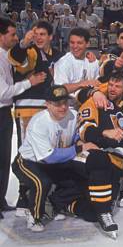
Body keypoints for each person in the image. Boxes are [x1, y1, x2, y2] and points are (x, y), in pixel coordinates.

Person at [11, 85, 98, 232]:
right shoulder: (39, 122)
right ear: (47, 104)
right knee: (42, 182)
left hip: (55, 162)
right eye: (57, 104)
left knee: (80, 178)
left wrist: (82, 143)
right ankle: (34, 216)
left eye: (65, 102)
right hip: (28, 162)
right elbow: (49, 157)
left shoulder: (73, 114)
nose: (63, 107)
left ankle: (54, 205)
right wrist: (79, 148)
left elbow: (77, 136)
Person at [77, 71, 123, 238]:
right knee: (100, 160)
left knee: (90, 214)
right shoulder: (96, 101)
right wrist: (105, 133)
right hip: (92, 158)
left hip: (116, 164)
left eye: (117, 86)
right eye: (110, 85)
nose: (112, 89)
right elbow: (84, 130)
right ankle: (104, 214)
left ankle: (63, 203)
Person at [0, 18, 46, 217]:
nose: (15, 38)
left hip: (5, 112)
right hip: (2, 110)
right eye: (12, 34)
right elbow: (3, 93)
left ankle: (0, 201)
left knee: (3, 159)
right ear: (1, 36)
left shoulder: (6, 56)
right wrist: (30, 82)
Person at [53, 27, 100, 94]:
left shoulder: (92, 60)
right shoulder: (63, 63)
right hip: (69, 103)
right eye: (72, 42)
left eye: (79, 43)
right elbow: (59, 91)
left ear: (87, 44)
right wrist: (80, 84)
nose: (75, 46)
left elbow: (98, 81)